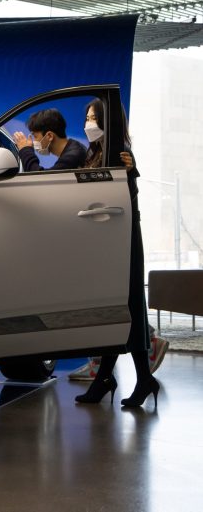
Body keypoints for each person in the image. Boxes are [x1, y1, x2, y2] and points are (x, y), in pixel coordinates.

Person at [73, 98, 162, 408]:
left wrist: (131, 172)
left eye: (93, 118)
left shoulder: (119, 152)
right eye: (87, 117)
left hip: (122, 238)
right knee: (118, 306)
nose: (88, 123)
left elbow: (126, 197)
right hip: (107, 239)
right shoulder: (95, 152)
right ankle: (117, 379)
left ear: (108, 121)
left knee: (129, 306)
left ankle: (126, 379)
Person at [14, 108, 87, 171]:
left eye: (35, 136)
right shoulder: (75, 147)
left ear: (49, 136)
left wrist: (25, 150)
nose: (33, 142)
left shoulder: (71, 158)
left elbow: (42, 178)